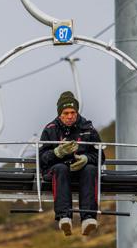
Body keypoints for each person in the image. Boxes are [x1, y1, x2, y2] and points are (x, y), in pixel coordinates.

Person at [39, 91, 104, 236]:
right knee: (61, 169)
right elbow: (42, 159)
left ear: (77, 112)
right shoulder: (51, 130)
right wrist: (57, 153)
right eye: (66, 113)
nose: (69, 116)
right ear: (60, 113)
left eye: (73, 112)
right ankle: (64, 216)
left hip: (81, 170)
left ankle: (88, 217)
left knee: (90, 169)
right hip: (58, 171)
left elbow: (100, 156)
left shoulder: (88, 129)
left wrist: (86, 159)